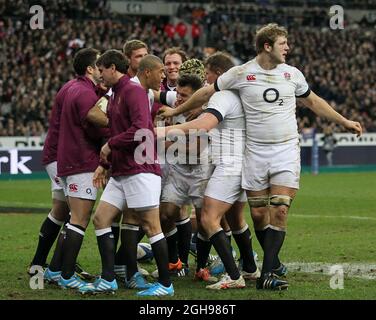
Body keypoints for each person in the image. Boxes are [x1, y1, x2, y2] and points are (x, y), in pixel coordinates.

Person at [158, 23, 362, 290]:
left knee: (279, 209)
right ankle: (267, 266)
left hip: (286, 149)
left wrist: (344, 120)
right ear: (267, 46)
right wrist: (177, 111)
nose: (287, 48)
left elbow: (313, 101)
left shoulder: (292, 74)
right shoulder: (241, 73)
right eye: (283, 43)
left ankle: (267, 273)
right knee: (257, 215)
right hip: (254, 152)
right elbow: (207, 91)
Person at [156, 52, 259, 289]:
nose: (207, 80)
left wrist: (164, 138)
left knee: (209, 220)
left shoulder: (214, 102)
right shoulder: (186, 100)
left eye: (209, 75)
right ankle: (247, 268)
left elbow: (196, 147)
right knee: (167, 214)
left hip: (208, 168)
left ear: (219, 75)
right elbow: (160, 94)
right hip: (188, 170)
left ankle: (213, 269)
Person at [79, 50, 173, 296]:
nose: (99, 75)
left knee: (152, 225)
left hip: (140, 169)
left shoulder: (133, 91)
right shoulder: (115, 95)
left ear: (112, 68)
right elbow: (119, 131)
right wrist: (106, 163)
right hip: (122, 171)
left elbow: (142, 129)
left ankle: (166, 284)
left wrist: (111, 145)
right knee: (101, 219)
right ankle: (108, 279)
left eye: (101, 70)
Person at [43, 48, 109, 290]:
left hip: (68, 160)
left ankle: (54, 270)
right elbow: (94, 125)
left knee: (72, 218)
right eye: (99, 65)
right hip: (81, 161)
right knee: (79, 220)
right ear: (90, 69)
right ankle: (66, 275)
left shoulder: (72, 87)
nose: (102, 70)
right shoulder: (84, 94)